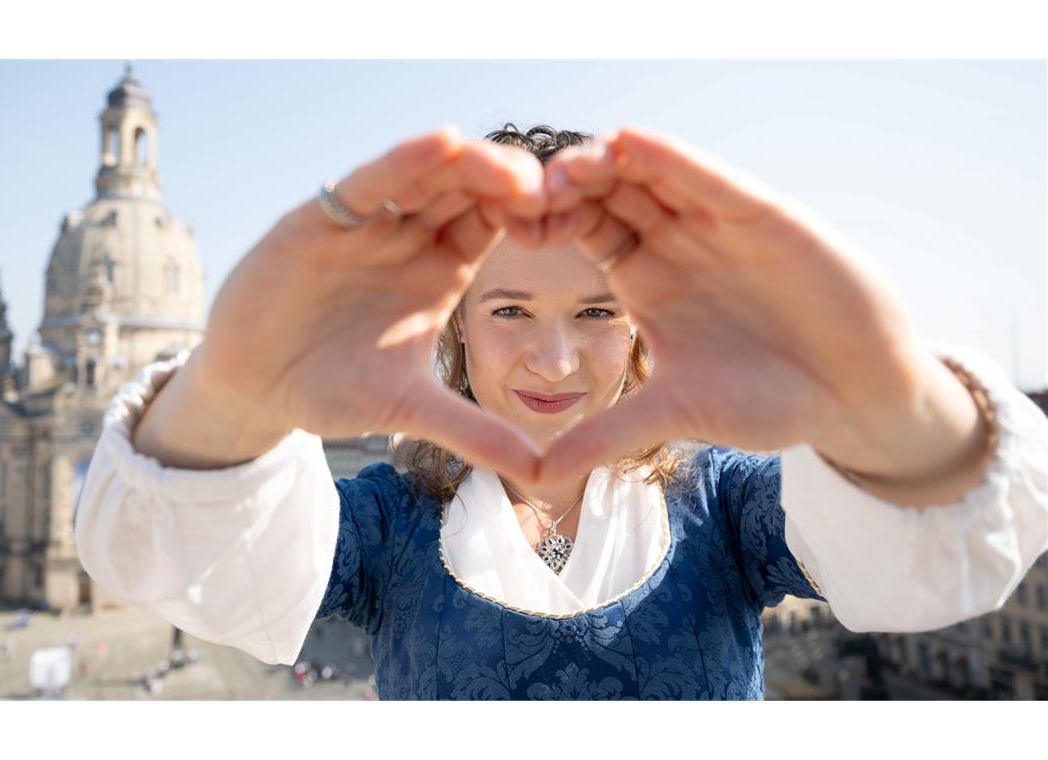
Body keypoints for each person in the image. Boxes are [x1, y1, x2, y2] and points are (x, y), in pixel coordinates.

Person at [75, 123, 1047, 700]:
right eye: (510, 312)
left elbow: (929, 559)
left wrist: (878, 395)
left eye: (596, 311)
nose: (554, 357)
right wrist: (236, 391)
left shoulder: (730, 504)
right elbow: (190, 565)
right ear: (456, 330)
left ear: (642, 332)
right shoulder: (383, 524)